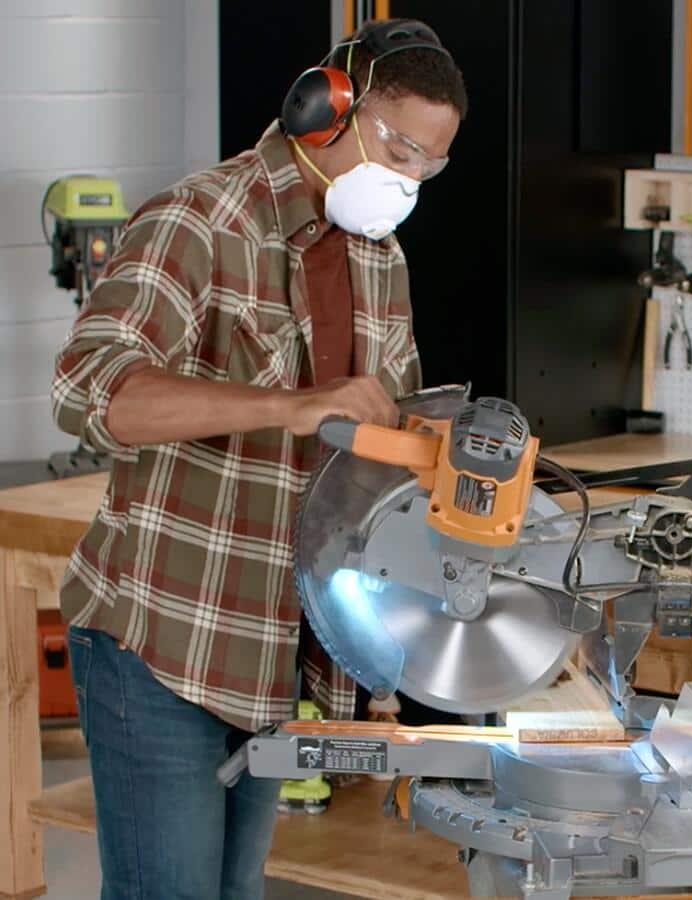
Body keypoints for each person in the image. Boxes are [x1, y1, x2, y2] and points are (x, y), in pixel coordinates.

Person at [48, 19, 466, 899]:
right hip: (162, 636)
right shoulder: (197, 219)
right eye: (396, 147)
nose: (407, 178)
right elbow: (93, 392)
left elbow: (380, 442)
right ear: (326, 107)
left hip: (270, 644)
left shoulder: (377, 255)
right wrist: (293, 405)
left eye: (429, 165)